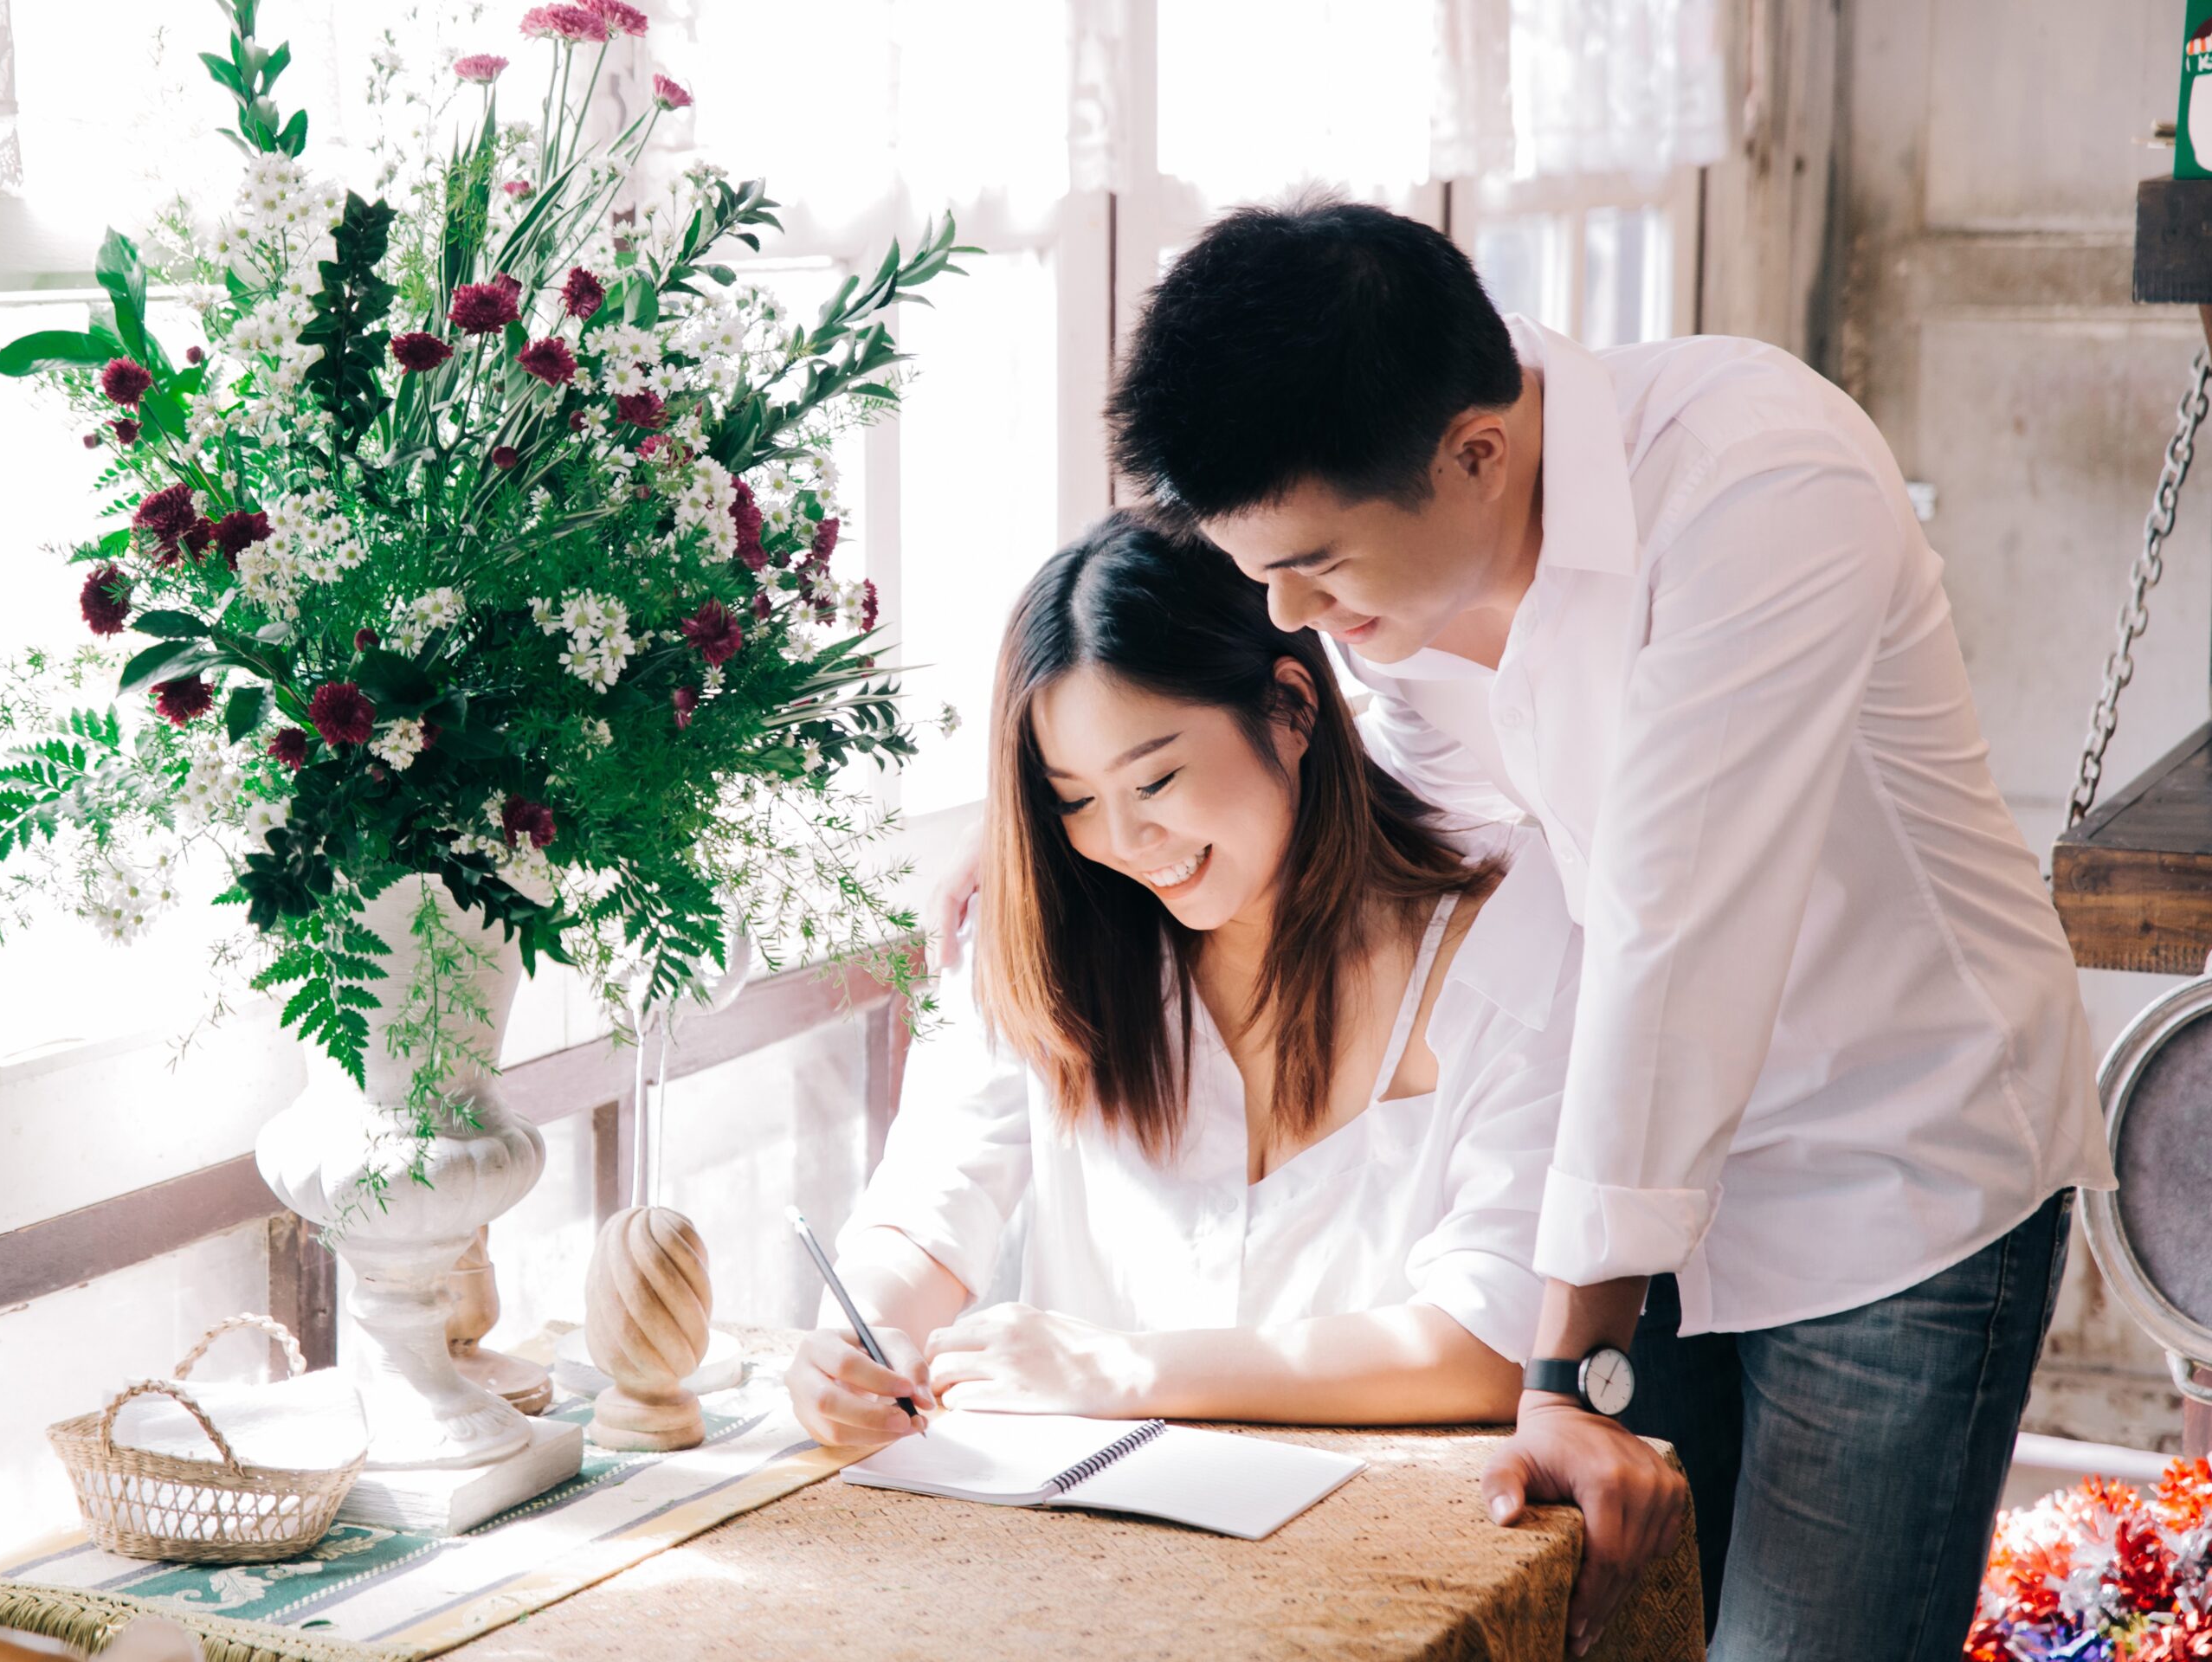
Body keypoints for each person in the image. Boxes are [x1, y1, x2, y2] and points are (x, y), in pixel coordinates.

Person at [1069, 195, 2116, 1660]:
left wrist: (1564, 1364)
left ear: (1477, 451)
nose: (1290, 611)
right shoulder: (1392, 593)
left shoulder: (1756, 481)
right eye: (1261, 574)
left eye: (1318, 566)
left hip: (1894, 1175)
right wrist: (1058, 858)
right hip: (1633, 1200)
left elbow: (1670, 936)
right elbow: (1433, 848)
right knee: (1617, 1635)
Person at [788, 513, 1622, 1466]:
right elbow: (926, 1209)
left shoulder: (1509, 939)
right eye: (1073, 799)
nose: (1123, 841)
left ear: (1292, 708)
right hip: (1095, 1543)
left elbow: (1491, 1345)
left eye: (1156, 780)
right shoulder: (1047, 934)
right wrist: (857, 1336)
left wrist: (1123, 1373)